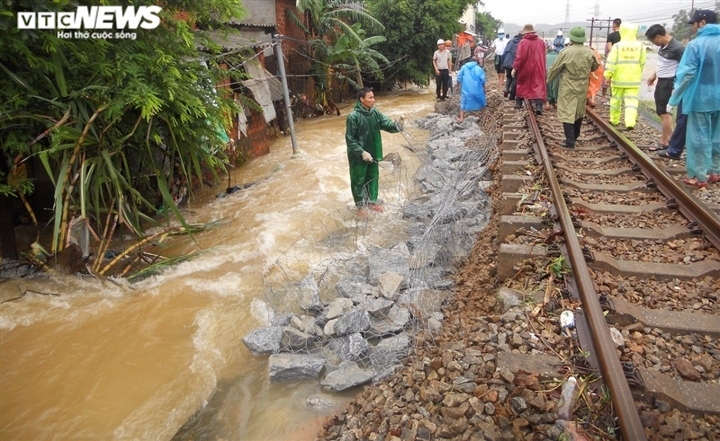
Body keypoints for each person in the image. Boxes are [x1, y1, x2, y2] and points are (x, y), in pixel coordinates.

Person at [666, 10, 720, 188]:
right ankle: (715, 172)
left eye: (694, 24)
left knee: (699, 137)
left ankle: (699, 176)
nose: (694, 27)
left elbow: (687, 74)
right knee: (717, 136)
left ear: (702, 23)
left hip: (700, 98)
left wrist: (673, 99)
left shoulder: (696, 45)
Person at [345, 88, 403, 215]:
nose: (373, 100)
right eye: (370, 98)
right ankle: (360, 206)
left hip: (374, 151)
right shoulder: (353, 117)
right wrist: (361, 152)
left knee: (373, 177)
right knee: (358, 179)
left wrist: (398, 125)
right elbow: (350, 139)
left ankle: (371, 202)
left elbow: (386, 123)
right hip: (358, 156)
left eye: (373, 97)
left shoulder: (374, 113)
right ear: (362, 99)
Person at [547, 27, 600, 148]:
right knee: (578, 110)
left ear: (571, 38)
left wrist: (548, 79)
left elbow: (555, 68)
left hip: (568, 84)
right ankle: (575, 135)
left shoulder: (566, 52)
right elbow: (595, 66)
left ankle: (569, 141)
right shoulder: (589, 52)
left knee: (567, 110)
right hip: (582, 84)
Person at [644, 24, 685, 151]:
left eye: (653, 40)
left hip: (669, 83)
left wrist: (676, 86)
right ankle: (672, 141)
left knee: (664, 113)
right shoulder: (663, 46)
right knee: (662, 111)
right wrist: (654, 75)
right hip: (662, 81)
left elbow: (685, 67)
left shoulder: (677, 48)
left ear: (658, 36)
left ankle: (664, 141)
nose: (653, 43)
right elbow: (664, 64)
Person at [603, 22, 646, 130]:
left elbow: (611, 62)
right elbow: (642, 63)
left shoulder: (617, 46)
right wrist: (637, 73)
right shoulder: (641, 46)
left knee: (616, 100)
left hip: (618, 79)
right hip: (633, 80)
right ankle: (630, 122)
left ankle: (614, 120)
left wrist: (607, 76)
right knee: (631, 102)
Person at [512, 24, 547, 114]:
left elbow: (519, 57)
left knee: (522, 84)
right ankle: (539, 106)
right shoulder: (541, 42)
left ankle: (518, 103)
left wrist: (515, 68)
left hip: (525, 68)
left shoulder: (523, 42)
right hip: (538, 68)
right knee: (538, 85)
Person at [456, 54, 487, 122]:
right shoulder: (479, 69)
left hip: (465, 89)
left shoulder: (464, 67)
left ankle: (461, 118)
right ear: (476, 62)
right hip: (477, 89)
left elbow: (459, 77)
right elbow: (483, 80)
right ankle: (483, 116)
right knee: (481, 100)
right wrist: (484, 88)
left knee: (463, 102)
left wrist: (457, 86)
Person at [603, 18, 622, 98]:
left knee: (607, 77)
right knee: (617, 78)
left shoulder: (611, 36)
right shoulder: (623, 36)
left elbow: (610, 48)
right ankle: (614, 95)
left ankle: (603, 97)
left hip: (612, 59)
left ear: (614, 24)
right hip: (621, 59)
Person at [502, 32, 523, 99]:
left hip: (507, 62)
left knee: (508, 77)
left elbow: (504, 53)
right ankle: (512, 94)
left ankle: (507, 89)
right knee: (514, 78)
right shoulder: (521, 42)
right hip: (514, 63)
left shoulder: (510, 41)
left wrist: (503, 62)